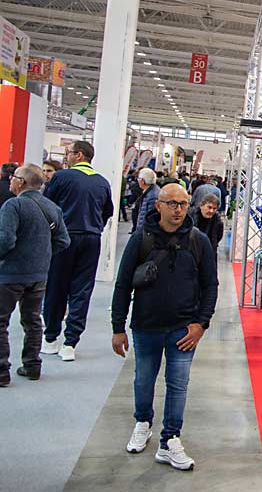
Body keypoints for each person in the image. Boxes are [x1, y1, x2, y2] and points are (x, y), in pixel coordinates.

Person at [111, 183, 218, 471]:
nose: (178, 209)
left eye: (183, 204)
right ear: (158, 205)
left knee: (178, 385)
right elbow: (122, 284)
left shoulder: (199, 241)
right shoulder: (140, 240)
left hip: (184, 329)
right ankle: (142, 421)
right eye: (172, 203)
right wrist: (117, 326)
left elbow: (210, 285)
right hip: (146, 325)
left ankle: (170, 438)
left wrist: (201, 324)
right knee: (144, 379)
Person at [41, 140, 114, 362]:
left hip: (64, 238)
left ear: (79, 155)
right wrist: (95, 227)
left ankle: (51, 338)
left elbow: (46, 206)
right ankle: (70, 343)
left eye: (69, 153)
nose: (66, 156)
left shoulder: (61, 177)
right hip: (92, 239)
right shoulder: (102, 182)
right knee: (82, 291)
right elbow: (107, 211)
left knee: (56, 287)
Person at [0, 165, 70, 386]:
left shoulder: (14, 205)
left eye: (14, 178)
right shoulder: (52, 207)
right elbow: (63, 241)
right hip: (39, 274)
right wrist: (42, 254)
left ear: (21, 182)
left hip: (10, 274)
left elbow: (5, 240)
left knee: (1, 322)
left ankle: (2, 370)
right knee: (32, 320)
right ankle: (32, 365)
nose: (10, 181)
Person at [134, 168, 160, 234]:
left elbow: (150, 219)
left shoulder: (152, 196)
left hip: (146, 233)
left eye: (138, 179)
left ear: (142, 181)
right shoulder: (151, 191)